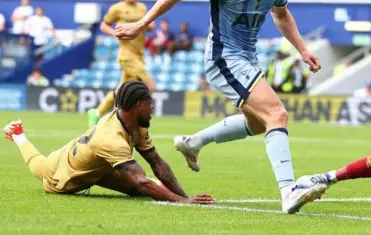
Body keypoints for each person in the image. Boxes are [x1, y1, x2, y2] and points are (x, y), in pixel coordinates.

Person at [113, 0, 326, 214]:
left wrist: (303, 49)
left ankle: (193, 142)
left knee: (259, 123)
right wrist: (141, 24)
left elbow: (281, 15)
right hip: (223, 58)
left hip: (246, 58)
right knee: (277, 113)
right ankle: (289, 190)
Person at [4, 81, 214, 205]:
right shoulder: (111, 139)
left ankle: (18, 135)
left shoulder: (137, 124)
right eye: (150, 104)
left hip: (99, 166)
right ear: (138, 105)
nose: (153, 108)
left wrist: (183, 197)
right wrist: (183, 202)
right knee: (40, 167)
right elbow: (141, 180)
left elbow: (157, 163)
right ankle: (18, 135)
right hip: (63, 173)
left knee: (147, 190)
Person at [87, 0, 156, 127]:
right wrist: (116, 34)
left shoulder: (142, 8)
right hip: (126, 56)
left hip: (139, 55)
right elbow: (104, 25)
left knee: (122, 89)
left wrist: (148, 26)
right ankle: (135, 119)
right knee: (149, 85)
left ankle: (97, 112)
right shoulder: (117, 8)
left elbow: (150, 26)